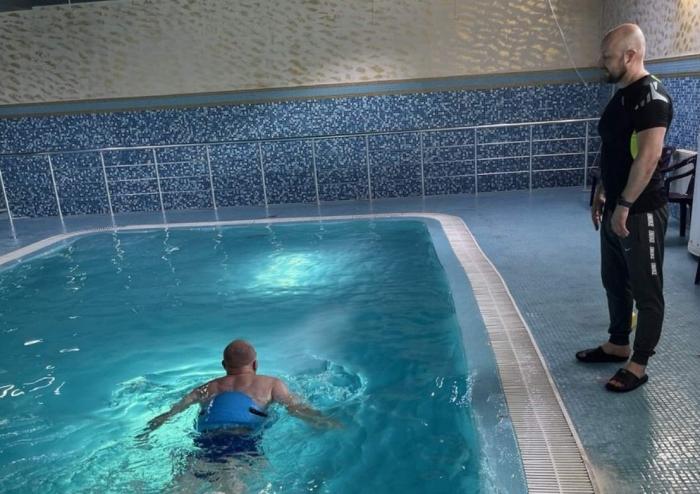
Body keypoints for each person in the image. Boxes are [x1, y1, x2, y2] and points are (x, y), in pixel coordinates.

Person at [576, 24, 673, 392]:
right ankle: (618, 343)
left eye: (608, 57)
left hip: (640, 210)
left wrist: (626, 206)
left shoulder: (652, 98)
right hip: (617, 204)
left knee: (647, 290)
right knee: (615, 280)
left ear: (630, 56)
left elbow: (648, 158)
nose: (601, 63)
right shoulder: (620, 97)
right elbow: (613, 150)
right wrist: (602, 192)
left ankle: (638, 363)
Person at [140, 339, 340, 453]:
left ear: (223, 365)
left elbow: (171, 413)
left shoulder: (207, 388)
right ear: (255, 364)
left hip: (206, 442)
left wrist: (146, 432)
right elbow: (298, 409)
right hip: (243, 441)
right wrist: (328, 423)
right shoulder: (271, 384)